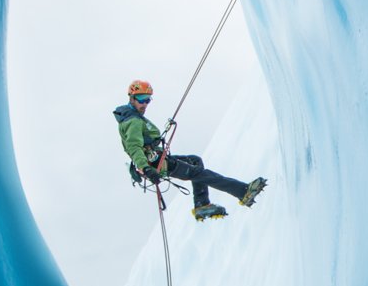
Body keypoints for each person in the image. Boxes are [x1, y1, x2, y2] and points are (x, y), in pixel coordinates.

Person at [114, 78, 267, 222]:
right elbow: (134, 147)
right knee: (199, 173)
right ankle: (243, 191)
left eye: (148, 99)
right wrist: (146, 168)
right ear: (132, 98)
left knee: (195, 160)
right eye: (141, 98)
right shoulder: (132, 120)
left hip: (157, 160)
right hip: (155, 163)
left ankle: (202, 205)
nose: (145, 103)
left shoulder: (134, 118)